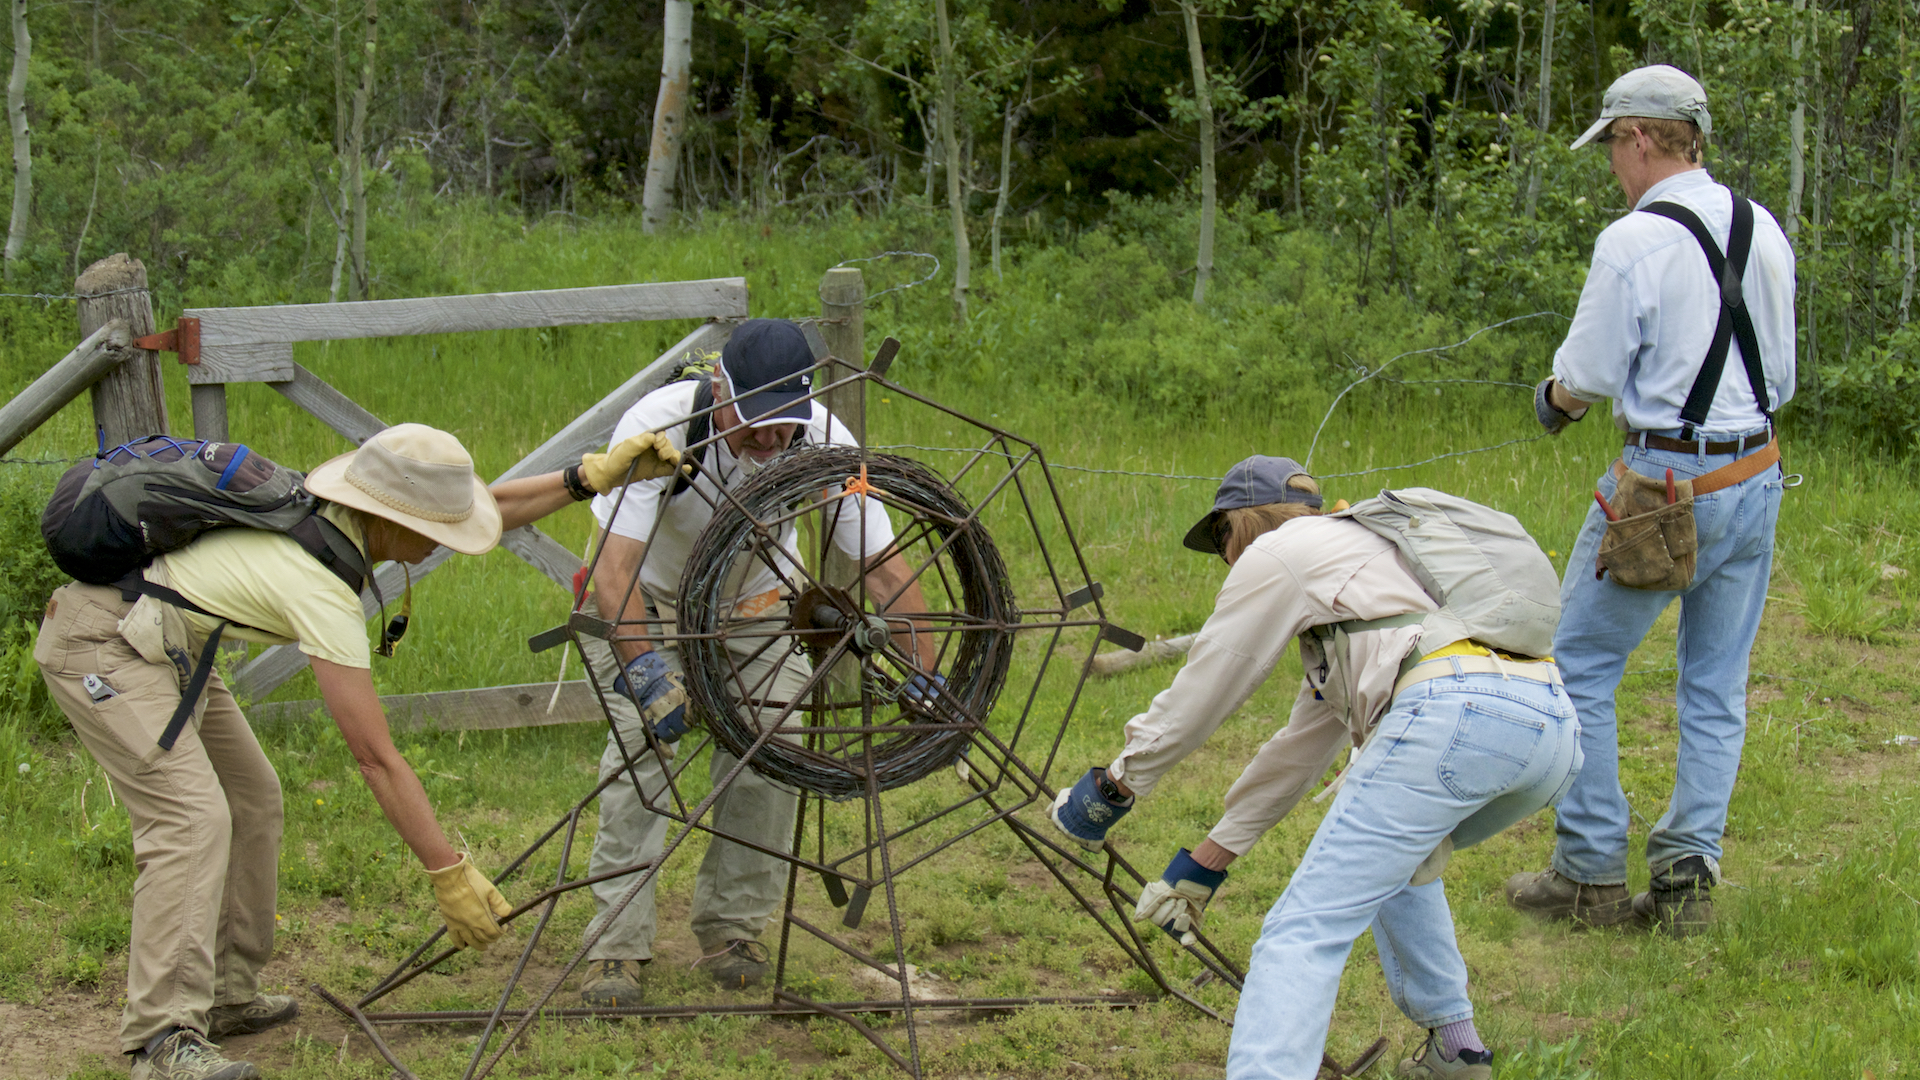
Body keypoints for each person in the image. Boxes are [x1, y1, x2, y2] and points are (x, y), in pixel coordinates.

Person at [35, 422, 681, 1080]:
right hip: (107, 644)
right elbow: (375, 758)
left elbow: (480, 505)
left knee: (253, 798)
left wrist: (586, 478)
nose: (443, 540)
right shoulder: (318, 587)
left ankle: (226, 993)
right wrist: (448, 872)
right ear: (391, 517)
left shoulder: (329, 512)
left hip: (169, 641)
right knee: (191, 819)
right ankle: (161, 1038)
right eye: (434, 527)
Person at [1048, 456, 1580, 1080]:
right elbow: (1299, 749)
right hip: (1550, 728)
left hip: (1450, 711)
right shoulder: (1367, 581)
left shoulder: (1279, 553)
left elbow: (1204, 690)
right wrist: (1204, 867)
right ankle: (1456, 1050)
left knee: (1300, 932)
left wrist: (1113, 787)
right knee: (1396, 861)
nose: (1224, 559)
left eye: (1220, 541)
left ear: (1238, 525)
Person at [1508, 64, 1794, 936]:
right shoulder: (1764, 226)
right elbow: (1782, 375)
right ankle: (1684, 886)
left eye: (1610, 147)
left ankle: (1589, 871)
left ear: (1638, 136)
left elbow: (1588, 376)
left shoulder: (1630, 240)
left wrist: (1554, 401)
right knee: (1716, 683)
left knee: (1576, 666)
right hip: (1756, 474)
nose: (1611, 167)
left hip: (1662, 487)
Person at [576, 318, 935, 1006]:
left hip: (756, 606)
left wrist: (926, 673)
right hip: (648, 606)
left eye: (784, 421)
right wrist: (647, 675)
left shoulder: (826, 444)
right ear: (721, 390)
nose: (770, 439)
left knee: (776, 744)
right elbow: (613, 574)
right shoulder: (659, 427)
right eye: (754, 422)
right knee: (640, 757)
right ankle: (616, 946)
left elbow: (884, 567)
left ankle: (733, 929)